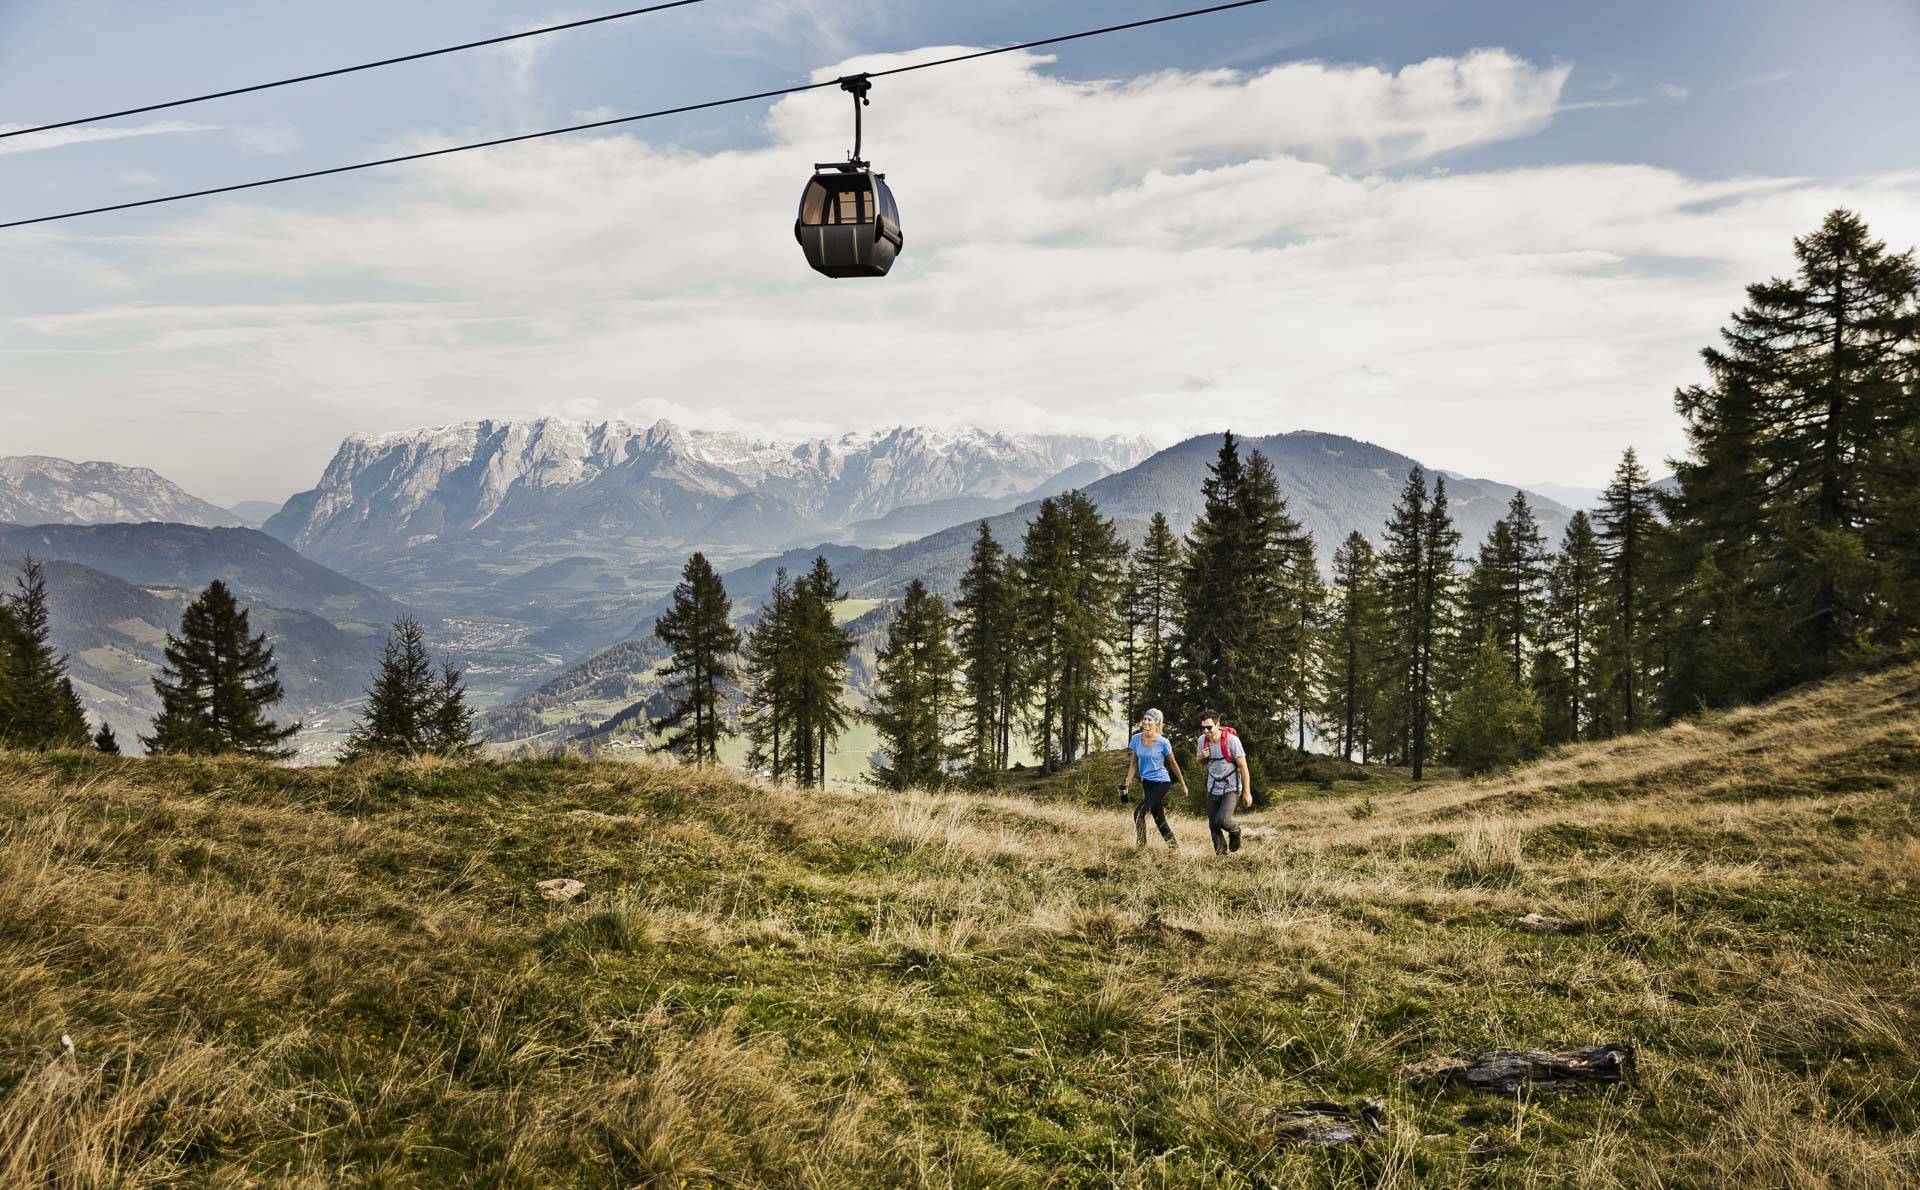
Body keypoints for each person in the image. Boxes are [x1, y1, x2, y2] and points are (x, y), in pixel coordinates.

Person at [1123, 708, 1187, 849]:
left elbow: (1173, 764)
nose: (1145, 722)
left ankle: (1141, 847)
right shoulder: (1136, 739)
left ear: (1156, 722)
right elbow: (1134, 763)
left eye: (1149, 720)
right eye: (1144, 719)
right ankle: (1174, 847)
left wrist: (1183, 784)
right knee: (1159, 817)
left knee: (1139, 812)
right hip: (1147, 782)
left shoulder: (1162, 742)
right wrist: (1127, 783)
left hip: (1161, 782)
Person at [1196, 709, 1251, 855]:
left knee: (1222, 819)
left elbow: (1243, 767)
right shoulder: (1202, 741)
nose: (1206, 731)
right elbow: (1200, 761)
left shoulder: (1232, 741)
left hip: (1231, 787)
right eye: (1203, 728)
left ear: (1217, 724)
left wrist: (1247, 793)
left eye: (1209, 727)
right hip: (1213, 786)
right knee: (1212, 823)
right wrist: (1201, 757)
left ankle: (1235, 830)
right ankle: (1221, 855)